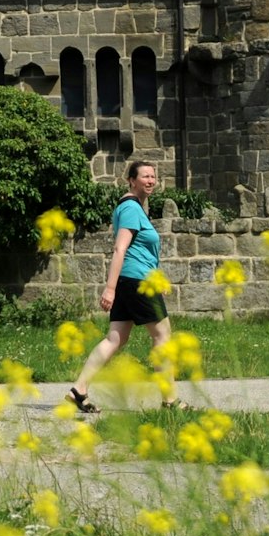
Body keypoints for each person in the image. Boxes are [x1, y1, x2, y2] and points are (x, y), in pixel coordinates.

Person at [65, 158, 170, 414]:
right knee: (163, 336)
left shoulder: (134, 208)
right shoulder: (131, 208)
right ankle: (170, 401)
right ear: (131, 180)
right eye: (145, 176)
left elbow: (139, 251)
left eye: (153, 177)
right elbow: (120, 248)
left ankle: (79, 389)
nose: (150, 181)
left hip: (133, 279)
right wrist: (109, 288)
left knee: (116, 338)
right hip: (136, 283)